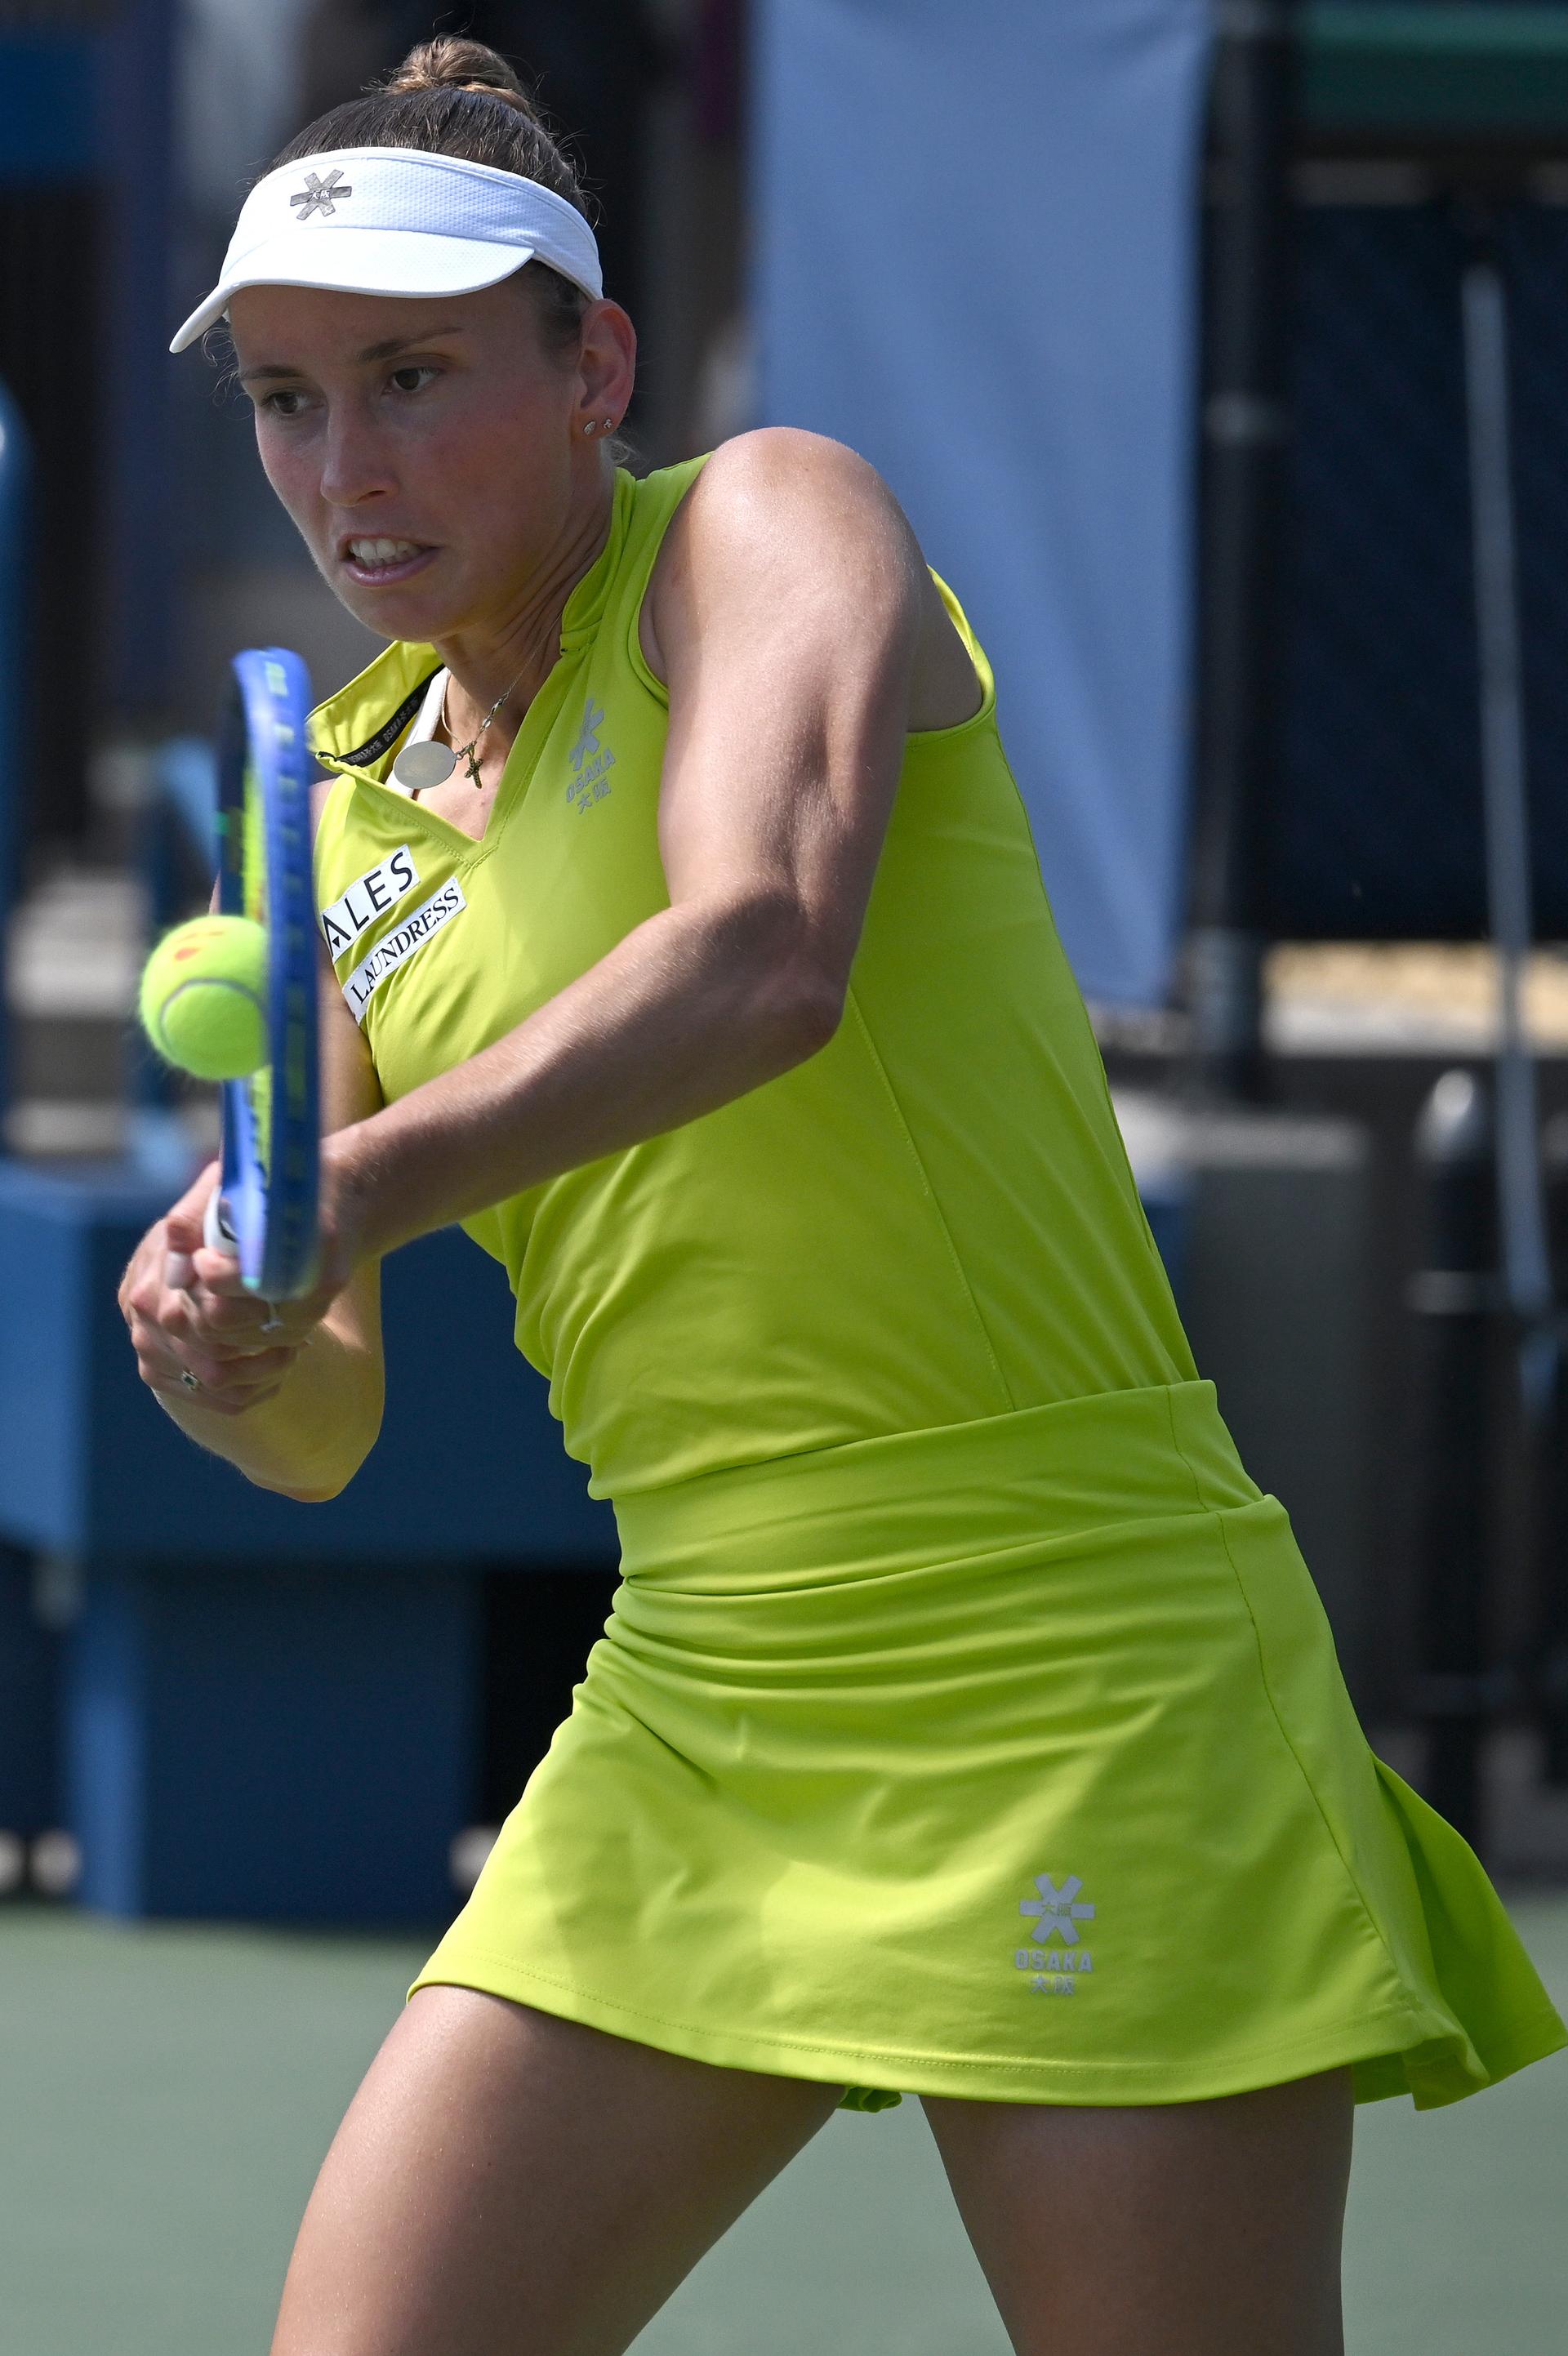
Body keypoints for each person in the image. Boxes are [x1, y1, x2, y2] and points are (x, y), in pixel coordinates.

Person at [119, 38, 1566, 2356]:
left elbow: (769, 949)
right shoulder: (345, 824)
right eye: (290, 401)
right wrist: (234, 1342)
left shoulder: (765, 525)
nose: (346, 467)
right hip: (698, 1689)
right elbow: (328, 1422)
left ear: (592, 365)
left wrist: (351, 1188)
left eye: (410, 377)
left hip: (1074, 1658)